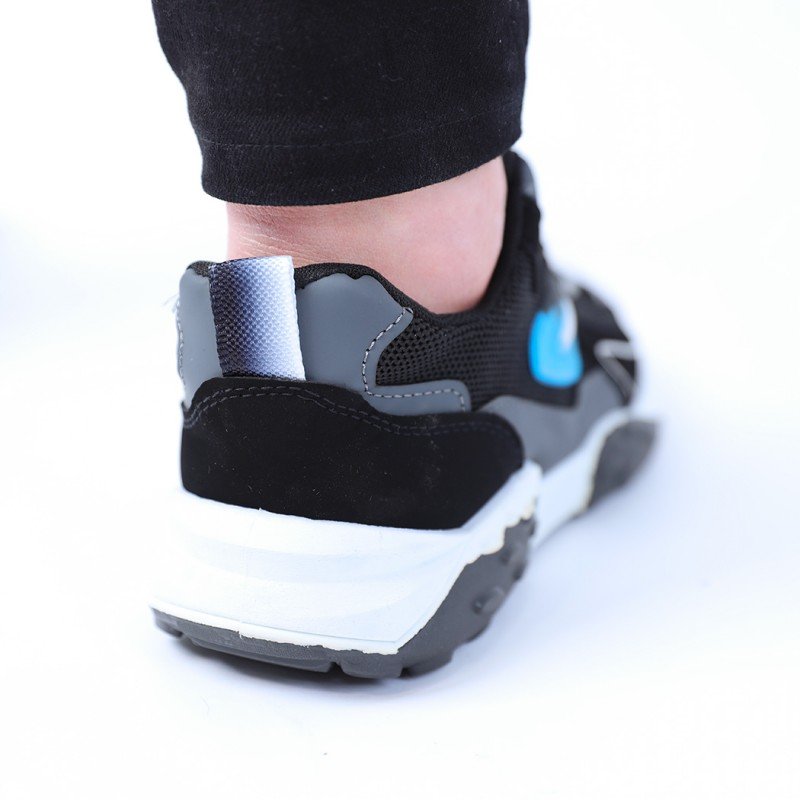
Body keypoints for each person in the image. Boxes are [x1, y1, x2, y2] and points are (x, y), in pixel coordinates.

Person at [150, 0, 655, 678]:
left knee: (286, 243)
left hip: (237, 402)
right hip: (418, 441)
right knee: (401, 219)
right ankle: (429, 266)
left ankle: (261, 377)